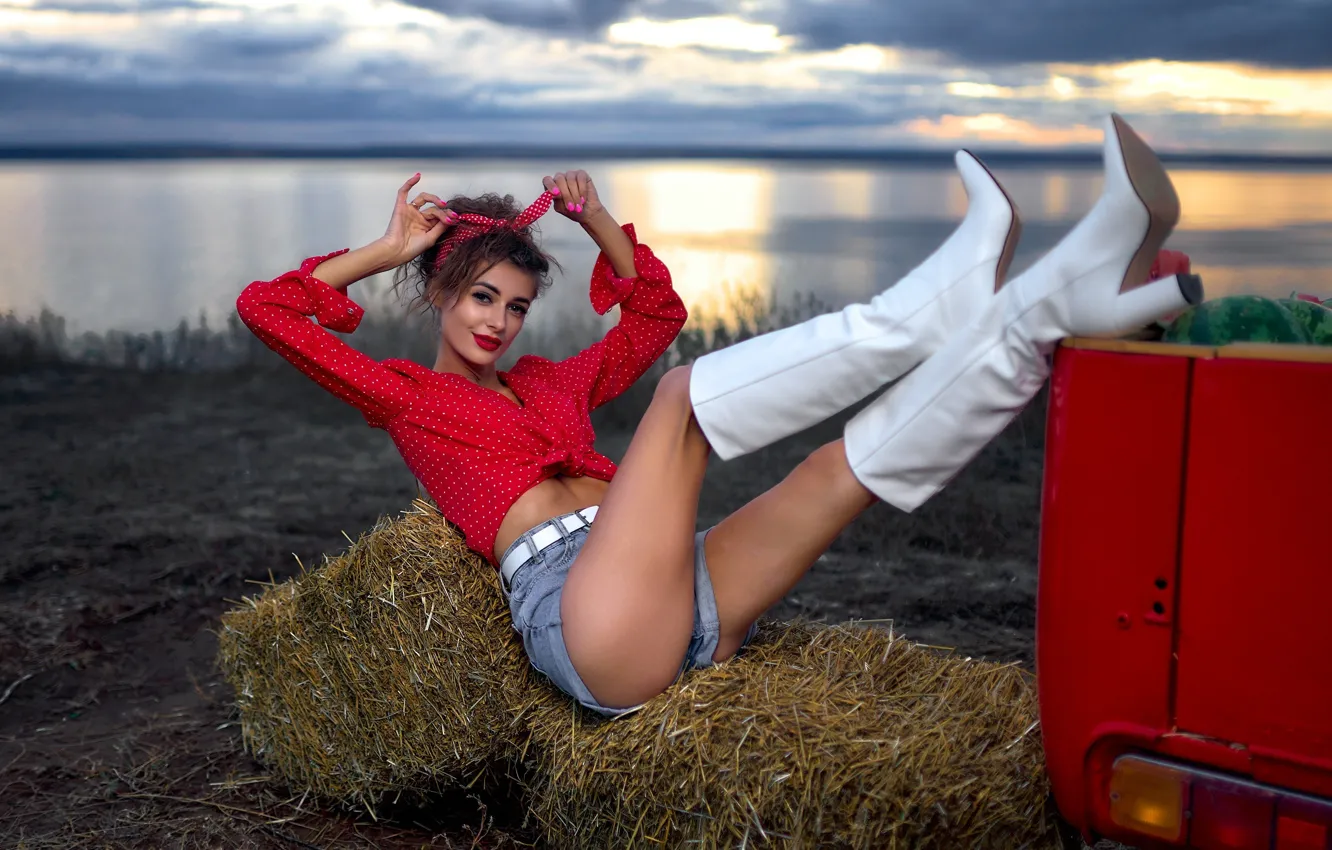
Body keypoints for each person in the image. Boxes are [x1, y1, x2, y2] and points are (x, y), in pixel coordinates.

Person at [237, 113, 1201, 717]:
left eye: (517, 305)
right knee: (684, 401)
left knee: (836, 473)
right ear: (441, 293)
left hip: (679, 601)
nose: (499, 321)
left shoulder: (555, 385)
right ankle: (924, 311)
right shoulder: (409, 400)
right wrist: (387, 245)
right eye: (481, 297)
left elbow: (657, 312)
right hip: (591, 629)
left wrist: (599, 223)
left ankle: (1047, 313)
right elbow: (267, 310)